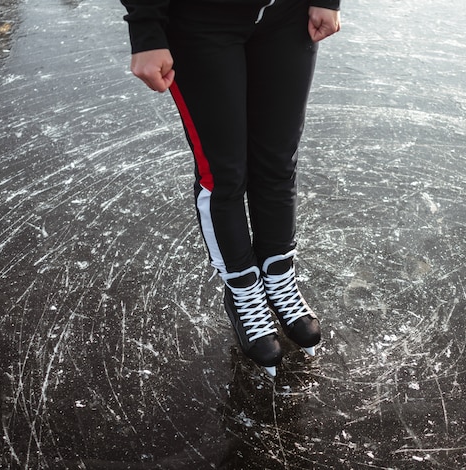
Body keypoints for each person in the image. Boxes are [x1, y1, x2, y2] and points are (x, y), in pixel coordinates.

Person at [120, 0, 341, 377]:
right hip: (201, 22)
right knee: (222, 175)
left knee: (277, 161)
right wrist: (146, 29)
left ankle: (278, 277)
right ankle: (243, 291)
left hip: (287, 17)